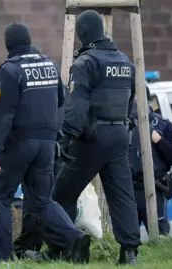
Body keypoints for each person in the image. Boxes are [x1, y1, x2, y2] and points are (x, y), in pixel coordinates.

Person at [0, 23, 89, 263]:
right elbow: (62, 99)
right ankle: (73, 238)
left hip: (19, 143)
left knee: (0, 196)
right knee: (41, 199)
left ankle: (1, 258)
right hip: (46, 144)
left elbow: (4, 115)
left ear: (8, 45)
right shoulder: (49, 65)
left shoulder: (10, 70)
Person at [51, 10, 141, 265]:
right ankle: (129, 251)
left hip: (92, 138)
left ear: (83, 34)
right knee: (121, 194)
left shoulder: (84, 64)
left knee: (62, 193)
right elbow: (131, 102)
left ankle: (65, 247)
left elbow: (76, 106)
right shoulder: (125, 61)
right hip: (120, 134)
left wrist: (67, 137)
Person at [12, 45, 69, 258]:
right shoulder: (53, 82)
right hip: (52, 149)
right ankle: (30, 246)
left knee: (37, 200)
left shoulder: (30, 90)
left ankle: (57, 241)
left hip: (42, 150)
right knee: (39, 199)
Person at [128, 87, 172, 236]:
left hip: (154, 189)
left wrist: (159, 141)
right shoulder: (121, 124)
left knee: (160, 238)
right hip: (127, 189)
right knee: (126, 237)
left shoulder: (161, 124)